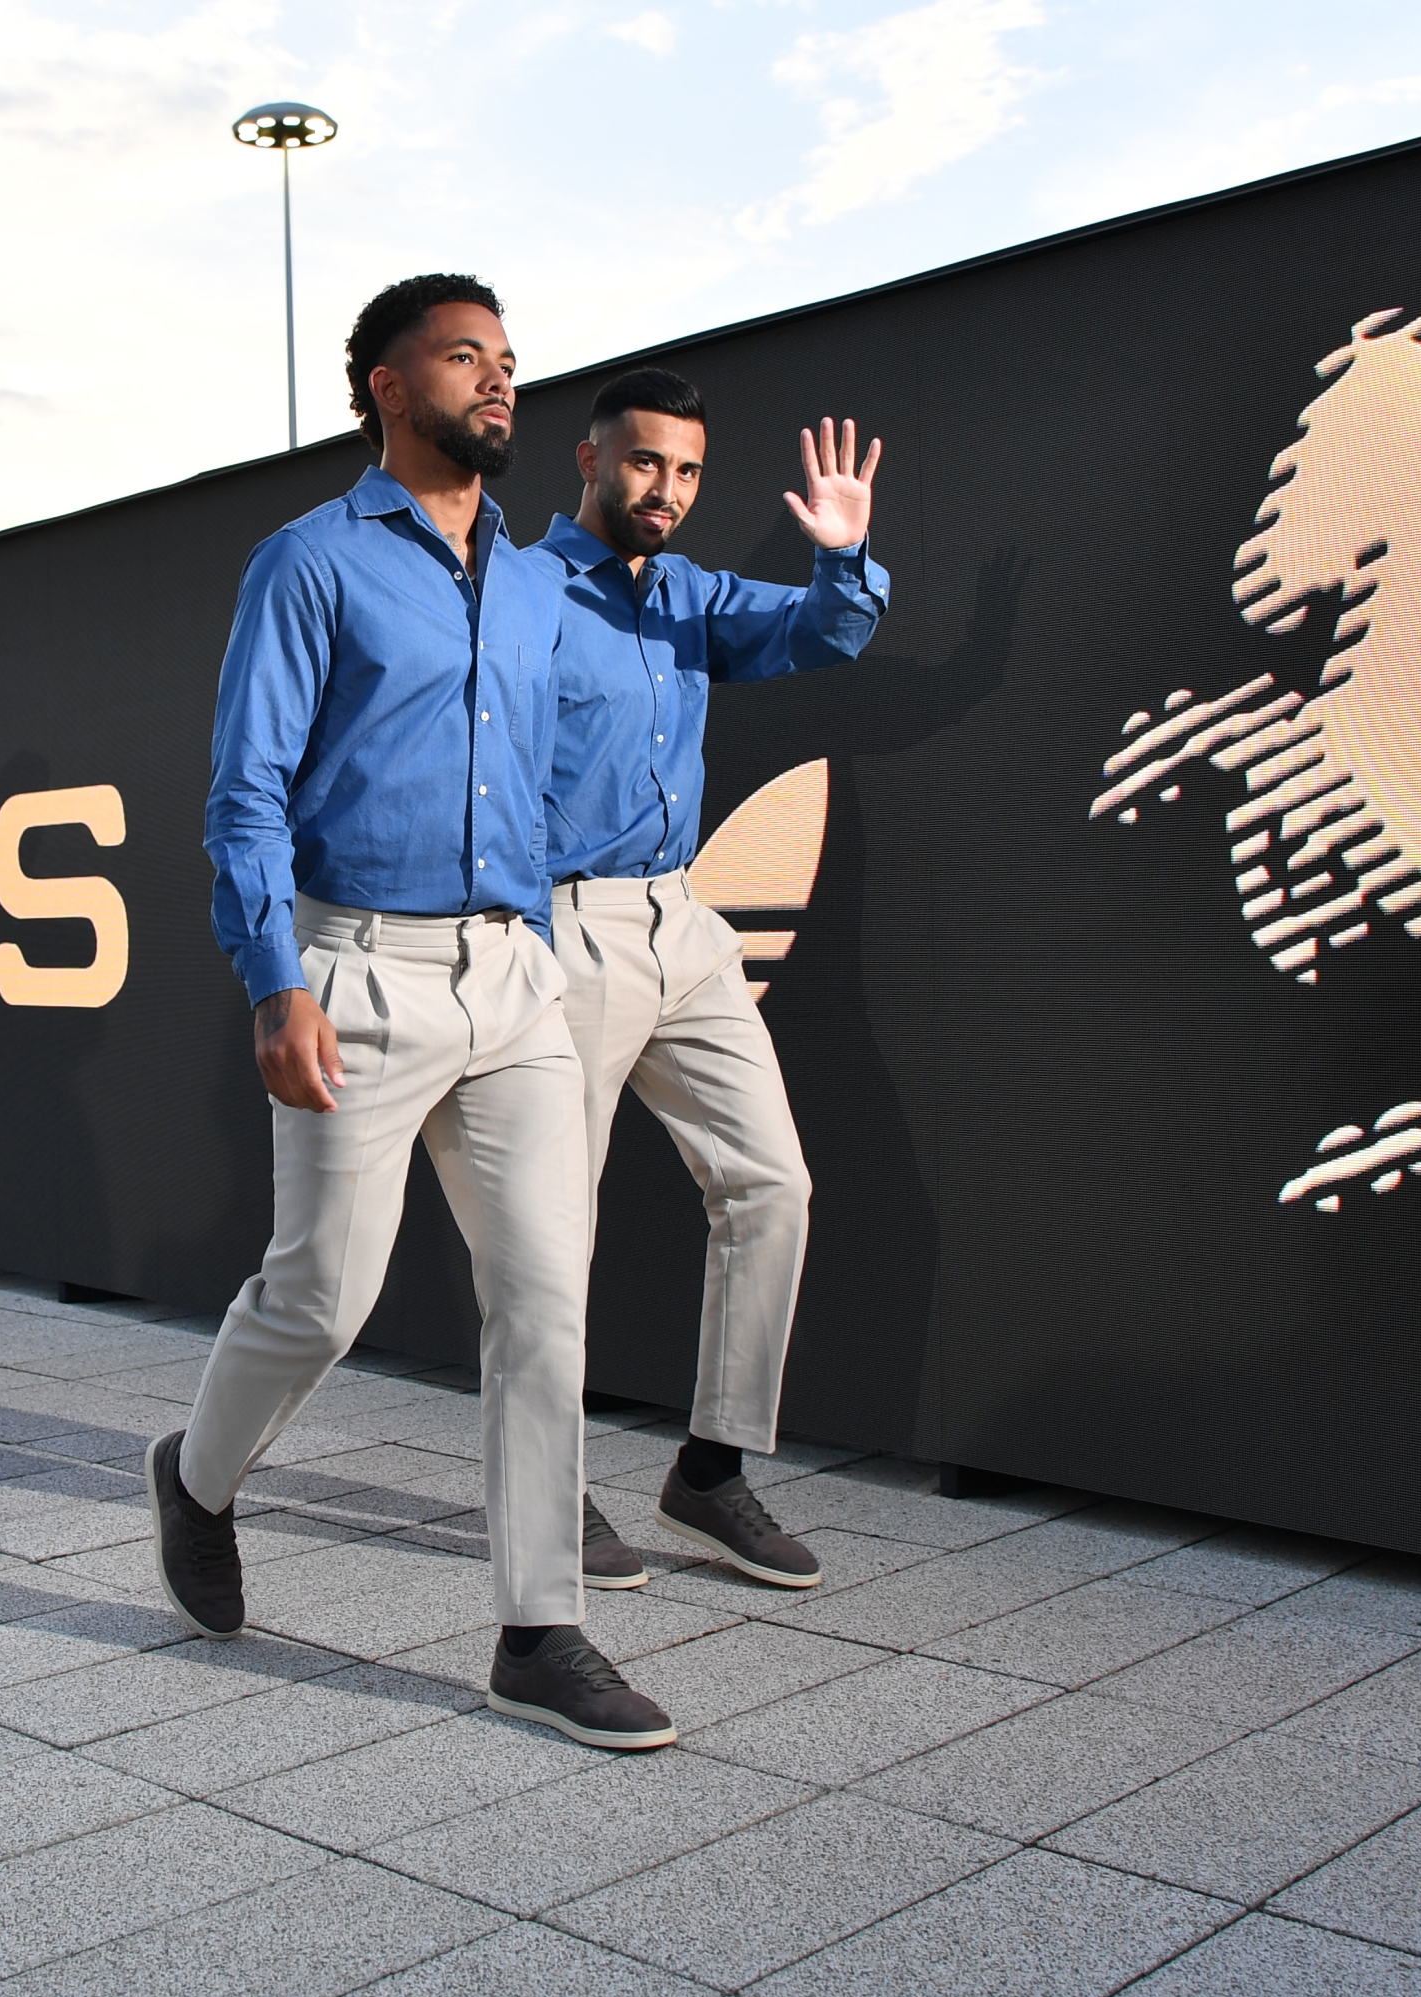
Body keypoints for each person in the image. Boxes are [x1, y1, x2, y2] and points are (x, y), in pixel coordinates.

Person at [144, 274, 676, 1752]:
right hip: (354, 969)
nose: (500, 382)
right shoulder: (308, 564)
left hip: (516, 977)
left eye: (509, 362)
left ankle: (539, 1626)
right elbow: (245, 790)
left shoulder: (533, 576)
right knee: (323, 1297)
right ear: (385, 383)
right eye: (465, 358)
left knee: (544, 1300)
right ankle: (195, 1476)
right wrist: (272, 979)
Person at [533, 368, 888, 1594]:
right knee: (548, 1230)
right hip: (562, 929)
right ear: (588, 460)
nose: (666, 491)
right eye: (644, 464)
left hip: (683, 922)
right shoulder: (521, 593)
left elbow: (822, 632)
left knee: (771, 1183)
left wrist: (843, 558)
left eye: (685, 472)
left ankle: (712, 1467)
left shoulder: (692, 594)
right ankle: (548, 1480)